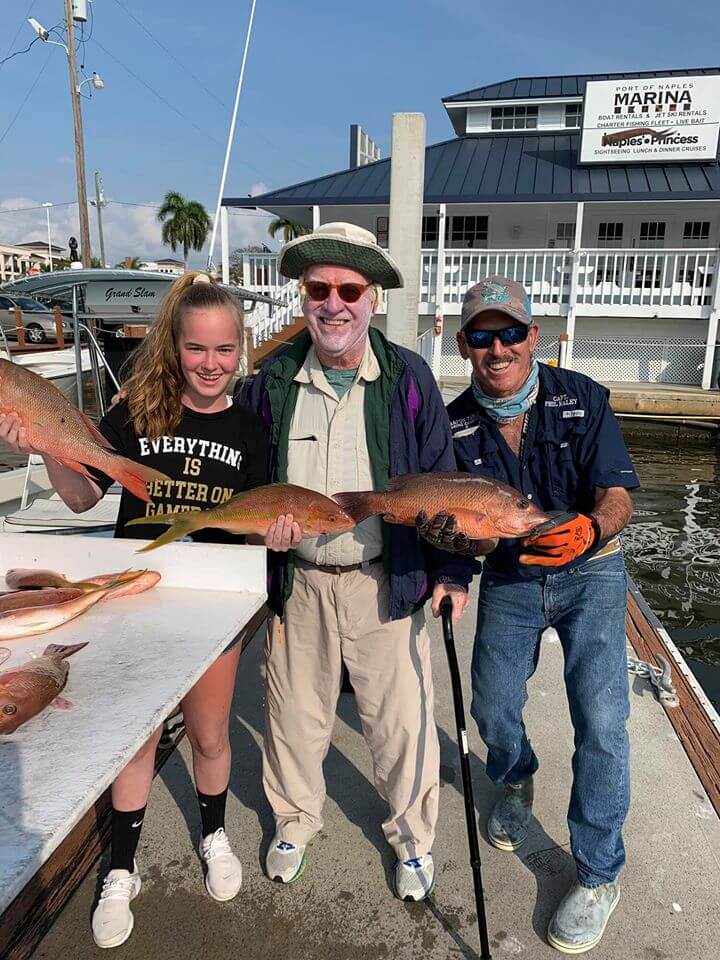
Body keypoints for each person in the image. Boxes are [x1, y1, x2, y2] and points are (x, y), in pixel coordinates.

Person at [0, 272, 273, 949]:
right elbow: (81, 499)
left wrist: (277, 529)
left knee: (210, 735)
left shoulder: (251, 429)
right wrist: (43, 446)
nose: (210, 363)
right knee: (135, 739)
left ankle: (212, 833)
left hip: (213, 603)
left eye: (224, 350)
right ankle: (121, 866)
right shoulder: (133, 414)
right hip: (136, 591)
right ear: (174, 347)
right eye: (196, 349)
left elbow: (263, 520)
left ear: (240, 351)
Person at [236, 222, 471, 901]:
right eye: (319, 289)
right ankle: (293, 819)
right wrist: (258, 537)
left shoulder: (409, 379)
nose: (333, 303)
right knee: (292, 715)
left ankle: (414, 839)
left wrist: (451, 573)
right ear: (304, 298)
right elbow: (249, 484)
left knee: (401, 724)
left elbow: (444, 484)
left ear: (371, 300)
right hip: (299, 581)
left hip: (383, 580)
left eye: (349, 289)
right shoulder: (270, 381)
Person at [418, 276, 639, 954]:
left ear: (533, 337)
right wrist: (455, 560)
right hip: (510, 580)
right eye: (482, 337)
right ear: (463, 346)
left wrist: (592, 531)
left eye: (511, 332)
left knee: (602, 720)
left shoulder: (584, 397)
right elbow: (455, 528)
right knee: (491, 706)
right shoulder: (451, 424)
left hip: (591, 572)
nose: (498, 347)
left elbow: (619, 492)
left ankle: (599, 872)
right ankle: (513, 776)